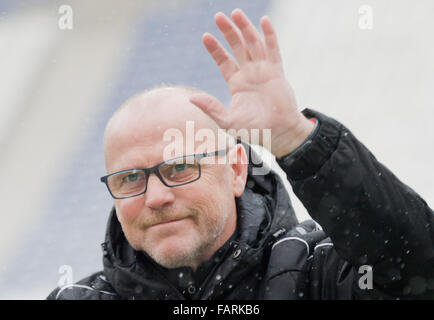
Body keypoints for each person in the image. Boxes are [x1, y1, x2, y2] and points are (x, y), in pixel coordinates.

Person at [48, 9, 433, 300]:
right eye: (130, 178)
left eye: (180, 167)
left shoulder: (322, 275)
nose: (157, 197)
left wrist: (297, 140)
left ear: (235, 170)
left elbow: (421, 269)